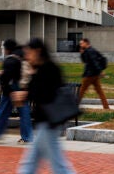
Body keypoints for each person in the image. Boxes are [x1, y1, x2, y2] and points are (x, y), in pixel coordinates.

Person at [15, 38, 76, 174]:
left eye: (29, 53)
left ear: (38, 51)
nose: (26, 57)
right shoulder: (41, 69)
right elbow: (36, 92)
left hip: (49, 122)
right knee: (32, 161)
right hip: (46, 122)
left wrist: (27, 91)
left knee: (58, 164)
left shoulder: (49, 69)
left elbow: (45, 95)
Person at [0, 39, 32, 144]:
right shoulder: (22, 55)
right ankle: (27, 136)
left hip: (12, 89)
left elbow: (6, 77)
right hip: (23, 88)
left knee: (3, 111)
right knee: (24, 113)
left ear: (7, 48)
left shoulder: (10, 59)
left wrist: (2, 78)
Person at [78, 38, 109, 109]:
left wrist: (100, 71)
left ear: (86, 43)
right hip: (94, 75)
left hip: (89, 75)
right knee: (100, 91)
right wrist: (82, 54)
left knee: (81, 91)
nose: (80, 45)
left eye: (82, 43)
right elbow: (85, 61)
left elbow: (94, 62)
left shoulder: (90, 51)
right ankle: (106, 107)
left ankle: (74, 106)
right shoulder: (88, 51)